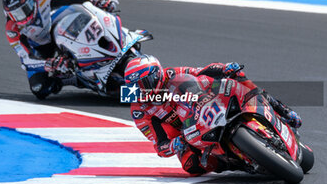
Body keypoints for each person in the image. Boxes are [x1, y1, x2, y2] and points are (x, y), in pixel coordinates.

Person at [124, 54, 302, 175]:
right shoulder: (139, 110)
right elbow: (159, 146)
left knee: (237, 77)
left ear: (156, 75)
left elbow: (201, 71)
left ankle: (281, 110)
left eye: (143, 83)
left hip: (207, 106)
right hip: (187, 134)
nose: (139, 90)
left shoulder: (173, 74)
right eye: (135, 86)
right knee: (191, 165)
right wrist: (173, 145)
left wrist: (224, 68)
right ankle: (237, 162)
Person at [3, 0, 119, 99]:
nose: (24, 17)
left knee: (82, 8)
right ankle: (74, 77)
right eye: (17, 14)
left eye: (25, 9)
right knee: (39, 88)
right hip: (39, 47)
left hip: (57, 25)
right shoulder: (12, 30)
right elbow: (26, 60)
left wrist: (97, 1)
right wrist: (50, 64)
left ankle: (115, 35)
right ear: (8, 15)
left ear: (31, 1)